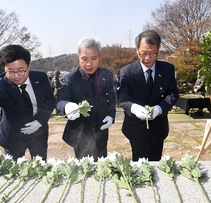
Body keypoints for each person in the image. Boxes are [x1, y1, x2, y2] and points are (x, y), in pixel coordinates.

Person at [119, 30, 179, 161]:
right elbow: (123, 98)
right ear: (137, 49)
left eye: (152, 53)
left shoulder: (167, 69)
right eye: (143, 53)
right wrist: (134, 108)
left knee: (156, 162)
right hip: (135, 127)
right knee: (139, 165)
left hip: (158, 127)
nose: (147, 58)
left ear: (158, 49)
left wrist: (159, 108)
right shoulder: (127, 72)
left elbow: (173, 94)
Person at [56, 37, 116, 161]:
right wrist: (67, 106)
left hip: (101, 129)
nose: (89, 64)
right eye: (84, 59)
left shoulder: (107, 75)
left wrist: (111, 115)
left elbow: (112, 99)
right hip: (80, 132)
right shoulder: (71, 78)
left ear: (99, 57)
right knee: (85, 165)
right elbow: (61, 101)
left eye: (93, 58)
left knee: (102, 163)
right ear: (78, 58)